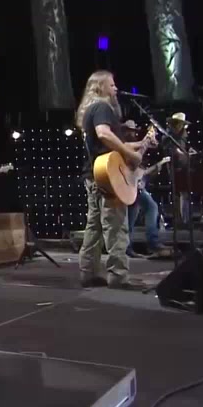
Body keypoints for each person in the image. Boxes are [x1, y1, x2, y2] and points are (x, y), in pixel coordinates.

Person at [76, 71, 148, 289]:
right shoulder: (102, 107)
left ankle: (88, 273)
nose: (116, 89)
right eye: (112, 84)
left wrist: (141, 144)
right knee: (116, 226)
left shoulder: (91, 109)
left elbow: (107, 143)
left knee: (95, 227)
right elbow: (104, 135)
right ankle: (118, 276)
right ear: (101, 87)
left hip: (95, 175)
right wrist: (131, 154)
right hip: (107, 175)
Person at [121, 121, 170, 259]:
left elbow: (140, 172)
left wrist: (157, 165)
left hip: (134, 185)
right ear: (125, 131)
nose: (133, 133)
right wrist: (146, 142)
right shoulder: (124, 145)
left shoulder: (134, 146)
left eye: (134, 131)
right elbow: (132, 166)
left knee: (132, 215)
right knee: (150, 207)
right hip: (128, 184)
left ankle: (128, 247)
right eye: (130, 131)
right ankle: (152, 242)